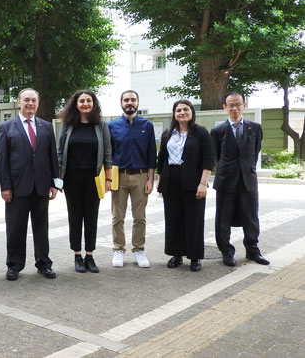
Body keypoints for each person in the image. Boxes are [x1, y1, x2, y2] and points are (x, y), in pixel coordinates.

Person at [0, 88, 59, 281]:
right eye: (26, 100)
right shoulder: (6, 127)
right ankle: (14, 265)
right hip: (16, 188)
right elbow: (2, 160)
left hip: (41, 187)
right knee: (15, 228)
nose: (30, 103)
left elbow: (52, 158)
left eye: (33, 100)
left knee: (41, 228)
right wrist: (5, 187)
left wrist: (54, 183)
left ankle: (44, 263)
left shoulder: (46, 127)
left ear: (37, 103)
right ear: (19, 102)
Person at [211, 91, 269, 267]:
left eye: (238, 104)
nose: (235, 108)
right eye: (231, 105)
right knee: (223, 218)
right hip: (226, 181)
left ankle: (252, 250)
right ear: (225, 107)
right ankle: (226, 252)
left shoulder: (255, 128)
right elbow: (216, 156)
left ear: (244, 105)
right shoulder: (218, 131)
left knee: (251, 216)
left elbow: (254, 152)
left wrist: (247, 169)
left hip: (248, 180)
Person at [156, 100, 215, 272]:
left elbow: (209, 159)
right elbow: (162, 159)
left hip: (193, 180)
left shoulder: (201, 132)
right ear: (174, 114)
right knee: (173, 219)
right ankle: (176, 254)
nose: (182, 113)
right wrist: (160, 180)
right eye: (178, 110)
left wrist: (203, 183)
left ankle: (194, 257)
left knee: (194, 219)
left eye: (185, 109)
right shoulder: (168, 134)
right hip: (171, 180)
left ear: (191, 112)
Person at [58, 90, 112, 274]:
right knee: (74, 217)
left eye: (89, 101)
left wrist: (109, 179)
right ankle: (77, 256)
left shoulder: (101, 125)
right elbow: (59, 152)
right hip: (71, 179)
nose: (85, 104)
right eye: (82, 101)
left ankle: (90, 256)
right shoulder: (68, 125)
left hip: (94, 179)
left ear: (94, 103)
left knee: (91, 216)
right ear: (76, 104)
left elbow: (107, 154)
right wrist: (59, 178)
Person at [108, 90, 156, 268]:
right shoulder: (112, 126)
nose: (130, 102)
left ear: (138, 103)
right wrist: (107, 179)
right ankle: (118, 249)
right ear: (121, 103)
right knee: (117, 216)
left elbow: (152, 154)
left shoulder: (147, 125)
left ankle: (139, 250)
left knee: (139, 217)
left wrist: (151, 179)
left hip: (141, 176)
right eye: (126, 100)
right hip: (118, 176)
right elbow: (108, 154)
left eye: (133, 100)